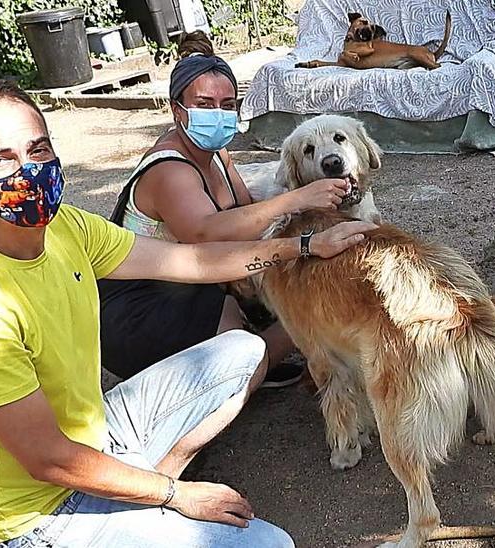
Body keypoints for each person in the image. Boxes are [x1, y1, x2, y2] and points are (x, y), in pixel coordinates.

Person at [0, 80, 374, 546]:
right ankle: (128, 498)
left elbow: (193, 260)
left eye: (37, 149)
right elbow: (47, 459)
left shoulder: (66, 228)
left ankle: (125, 485)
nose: (28, 170)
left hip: (96, 434)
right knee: (269, 544)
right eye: (0, 158)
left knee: (242, 350)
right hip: (41, 509)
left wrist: (303, 245)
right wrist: (174, 495)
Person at [98, 36, 353, 383]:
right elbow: (205, 232)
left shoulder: (217, 154)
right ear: (177, 110)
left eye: (227, 103)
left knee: (296, 291)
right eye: (204, 103)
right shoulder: (169, 170)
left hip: (193, 284)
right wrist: (297, 199)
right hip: (141, 310)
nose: (217, 114)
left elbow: (247, 213)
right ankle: (249, 371)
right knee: (283, 326)